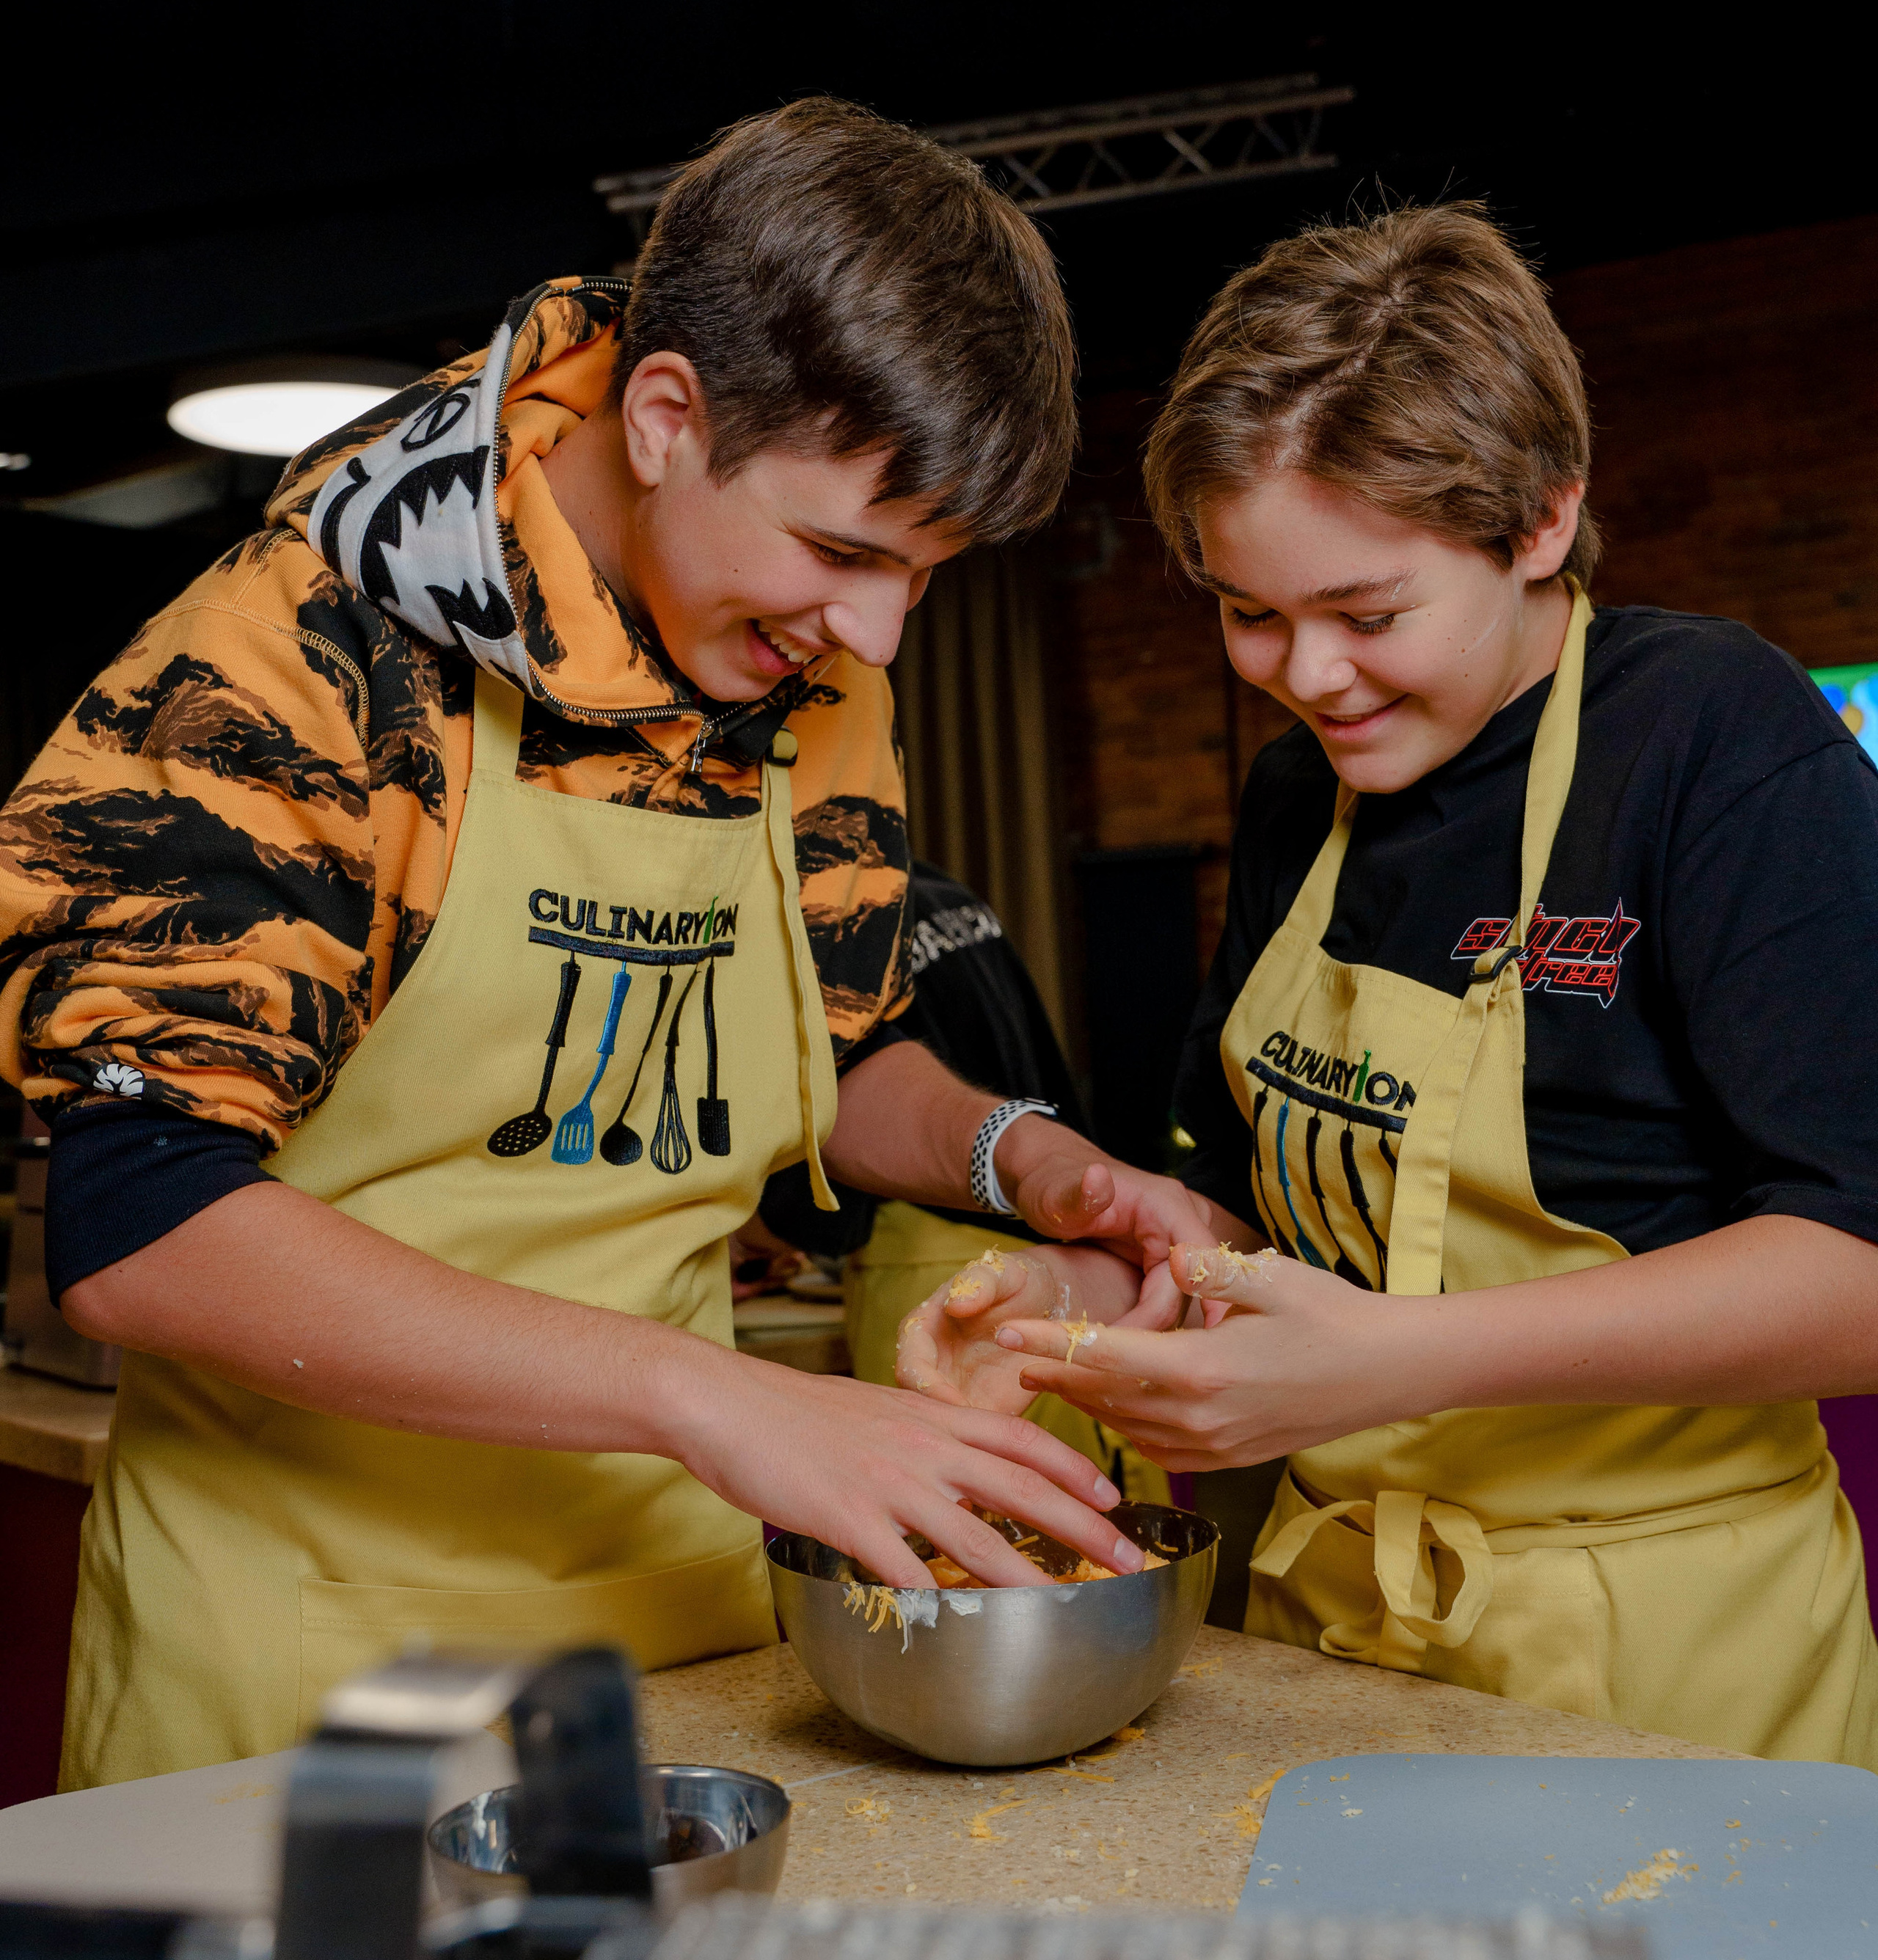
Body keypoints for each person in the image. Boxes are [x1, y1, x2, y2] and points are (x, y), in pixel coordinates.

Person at [0, 98, 1197, 1788]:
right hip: (315, 1659)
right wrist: (709, 1396)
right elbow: (143, 1228)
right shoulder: (294, 664)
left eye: (922, 573)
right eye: (840, 551)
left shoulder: (803, 669)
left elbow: (838, 1047)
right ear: (663, 417)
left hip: (690, 1630)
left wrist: (1028, 1159)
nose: (873, 632)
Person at [900, 201, 1878, 1763]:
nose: (1306, 677)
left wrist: (1395, 1364)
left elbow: (1857, 1273)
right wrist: (1068, 1311)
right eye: (1249, 615)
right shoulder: (1304, 797)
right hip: (1330, 1643)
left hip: (1662, 1662)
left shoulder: (1710, 741)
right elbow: (1245, 1230)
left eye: (1367, 614)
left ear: (1540, 522)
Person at [764, 860, 1170, 1502]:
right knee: (1077, 1498)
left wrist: (760, 1231)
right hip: (1045, 1235)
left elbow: (823, 1123)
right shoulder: (938, 890)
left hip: (924, 1257)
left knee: (958, 1510)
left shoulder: (813, 916)